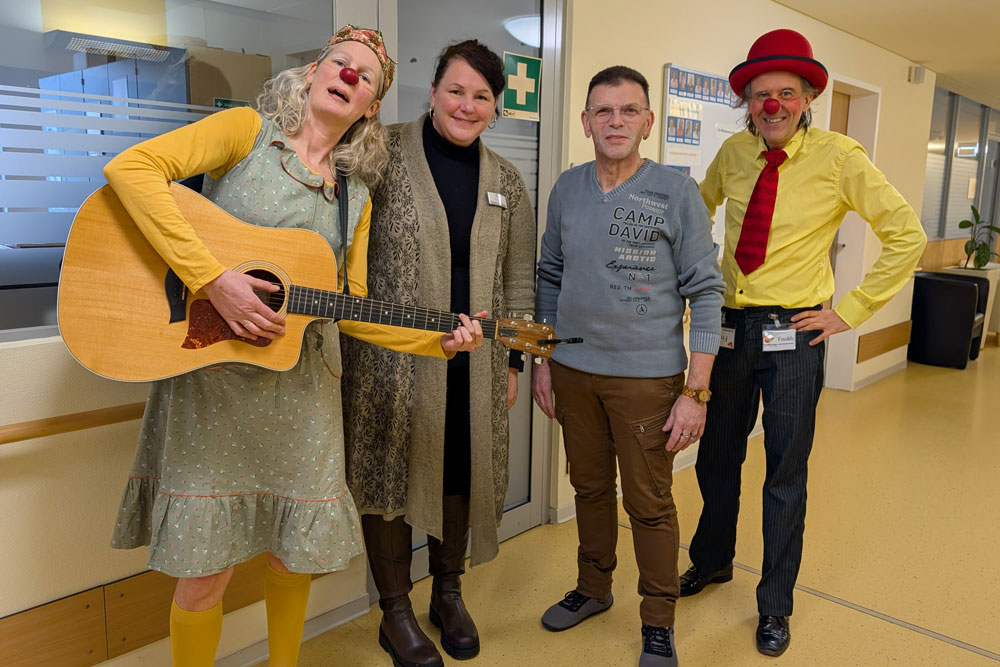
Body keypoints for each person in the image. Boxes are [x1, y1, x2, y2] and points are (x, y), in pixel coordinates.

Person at [103, 26, 484, 667]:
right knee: (206, 573)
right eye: (341, 63)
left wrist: (438, 338)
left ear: (370, 108)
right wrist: (212, 280)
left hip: (305, 390)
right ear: (312, 73)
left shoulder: (354, 196)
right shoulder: (242, 136)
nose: (350, 76)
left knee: (291, 555)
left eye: (366, 78)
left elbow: (351, 310)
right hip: (213, 383)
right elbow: (131, 169)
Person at [683, 29, 927, 658]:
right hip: (733, 330)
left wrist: (849, 311)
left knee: (784, 472)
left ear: (807, 96)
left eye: (785, 93)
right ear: (747, 102)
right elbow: (695, 211)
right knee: (717, 459)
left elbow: (906, 234)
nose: (772, 105)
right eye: (761, 94)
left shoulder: (842, 157)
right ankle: (710, 561)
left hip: (796, 331)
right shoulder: (734, 155)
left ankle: (775, 606)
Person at [339, 40, 536, 666]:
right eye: (456, 90)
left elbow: (519, 281)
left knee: (461, 470)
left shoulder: (506, 179)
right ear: (431, 93)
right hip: (390, 360)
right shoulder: (380, 151)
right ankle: (394, 609)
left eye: (482, 96)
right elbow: (334, 241)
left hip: (474, 364)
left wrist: (511, 360)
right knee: (390, 473)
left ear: (495, 107)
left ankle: (447, 592)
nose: (467, 105)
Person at [532, 65, 724, 667]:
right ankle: (593, 589)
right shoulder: (568, 188)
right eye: (603, 111)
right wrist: (543, 360)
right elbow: (549, 278)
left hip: (647, 380)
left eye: (629, 110)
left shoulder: (676, 192)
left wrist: (697, 390)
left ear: (647, 121)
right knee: (589, 488)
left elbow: (707, 291)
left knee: (649, 503)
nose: (616, 121)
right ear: (586, 121)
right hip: (572, 370)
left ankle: (658, 619)